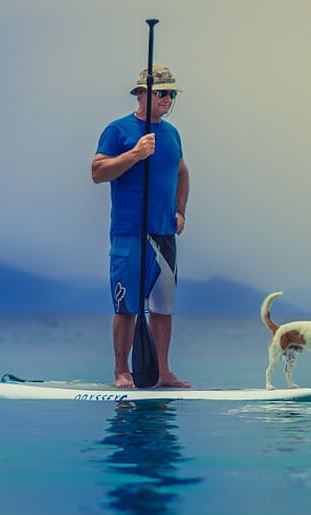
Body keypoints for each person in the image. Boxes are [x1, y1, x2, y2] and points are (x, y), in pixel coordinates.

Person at [91, 64, 190, 389]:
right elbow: (98, 171)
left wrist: (180, 211)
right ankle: (122, 370)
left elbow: (182, 173)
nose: (168, 99)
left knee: (163, 307)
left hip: (163, 233)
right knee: (127, 305)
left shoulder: (172, 133)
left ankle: (162, 372)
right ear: (142, 93)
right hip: (129, 231)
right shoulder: (118, 130)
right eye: (162, 93)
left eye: (172, 94)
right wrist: (134, 154)